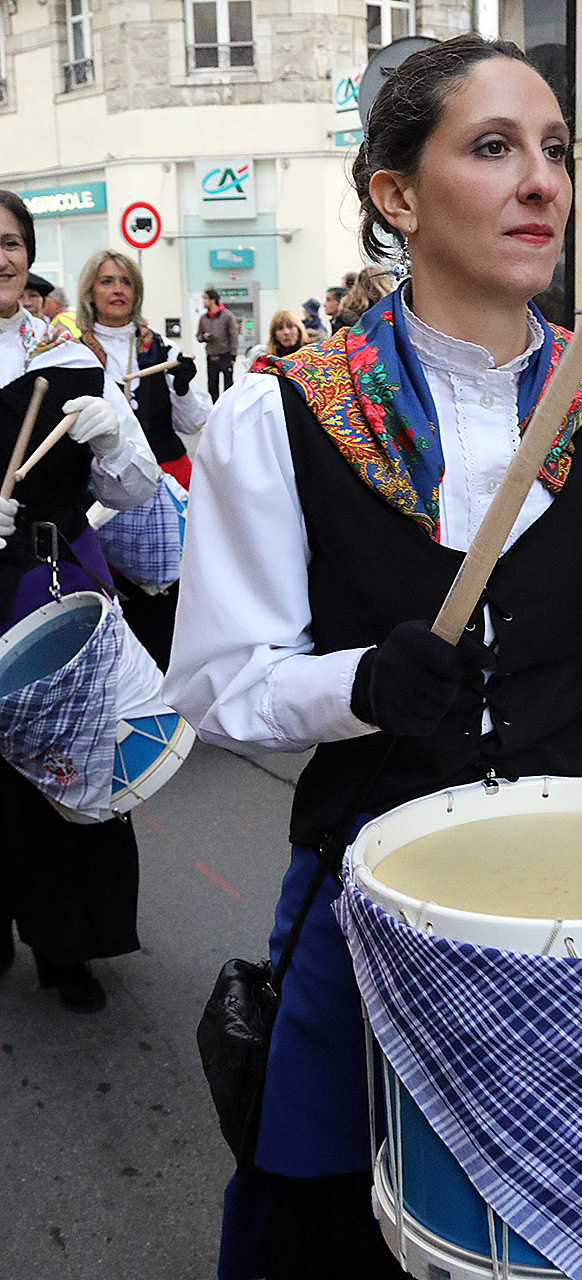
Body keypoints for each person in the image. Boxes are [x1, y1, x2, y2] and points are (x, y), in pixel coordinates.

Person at [163, 35, 582, 1280]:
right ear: (396, 194)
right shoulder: (284, 412)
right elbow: (218, 683)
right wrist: (357, 683)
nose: (542, 179)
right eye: (494, 147)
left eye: (554, 149)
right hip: (372, 892)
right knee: (329, 1216)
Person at [0, 190, 160, 1013]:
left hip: (55, 580)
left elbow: (133, 489)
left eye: (8, 241)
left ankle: (66, 946)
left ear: (28, 255)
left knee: (72, 755)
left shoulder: (68, 356)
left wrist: (110, 435)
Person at [76, 249, 211, 668]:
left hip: (170, 484)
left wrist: (182, 386)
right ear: (90, 292)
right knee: (125, 597)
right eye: (106, 281)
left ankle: (184, 674)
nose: (118, 290)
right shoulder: (73, 353)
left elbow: (195, 422)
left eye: (126, 281)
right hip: (104, 495)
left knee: (181, 594)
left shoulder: (159, 348)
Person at [197, 287, 238, 401]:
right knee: (212, 386)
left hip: (225, 355)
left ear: (212, 300)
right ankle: (214, 407)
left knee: (228, 386)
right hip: (211, 356)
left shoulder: (227, 316)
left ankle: (228, 406)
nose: (203, 301)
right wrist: (204, 337)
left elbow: (234, 336)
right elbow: (198, 336)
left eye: (205, 298)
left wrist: (233, 355)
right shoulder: (203, 318)